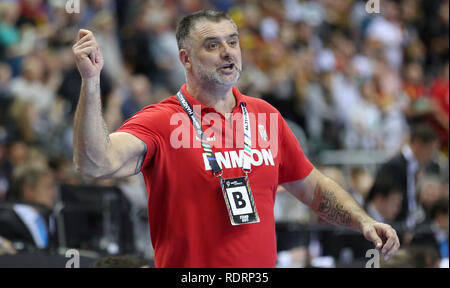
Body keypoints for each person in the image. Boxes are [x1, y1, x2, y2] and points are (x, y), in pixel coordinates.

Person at [72, 10, 400, 268]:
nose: (228, 53)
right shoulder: (162, 120)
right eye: (212, 45)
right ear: (185, 58)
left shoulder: (266, 116)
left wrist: (363, 220)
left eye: (232, 41)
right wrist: (91, 81)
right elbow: (95, 162)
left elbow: (312, 186)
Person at [370, 123, 440, 229]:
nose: (431, 157)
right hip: (396, 226)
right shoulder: (395, 166)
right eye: (430, 151)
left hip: (409, 225)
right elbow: (388, 201)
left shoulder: (415, 167)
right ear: (418, 144)